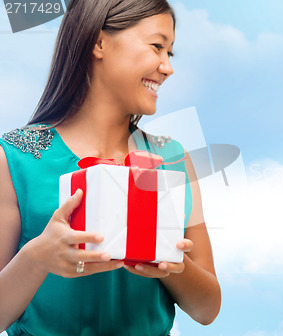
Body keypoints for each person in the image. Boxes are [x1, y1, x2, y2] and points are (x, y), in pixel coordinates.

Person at [0, 0, 221, 335]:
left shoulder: (173, 159)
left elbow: (208, 310)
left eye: (170, 53)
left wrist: (173, 265)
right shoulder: (15, 158)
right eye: (157, 46)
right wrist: (37, 257)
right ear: (99, 43)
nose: (167, 67)